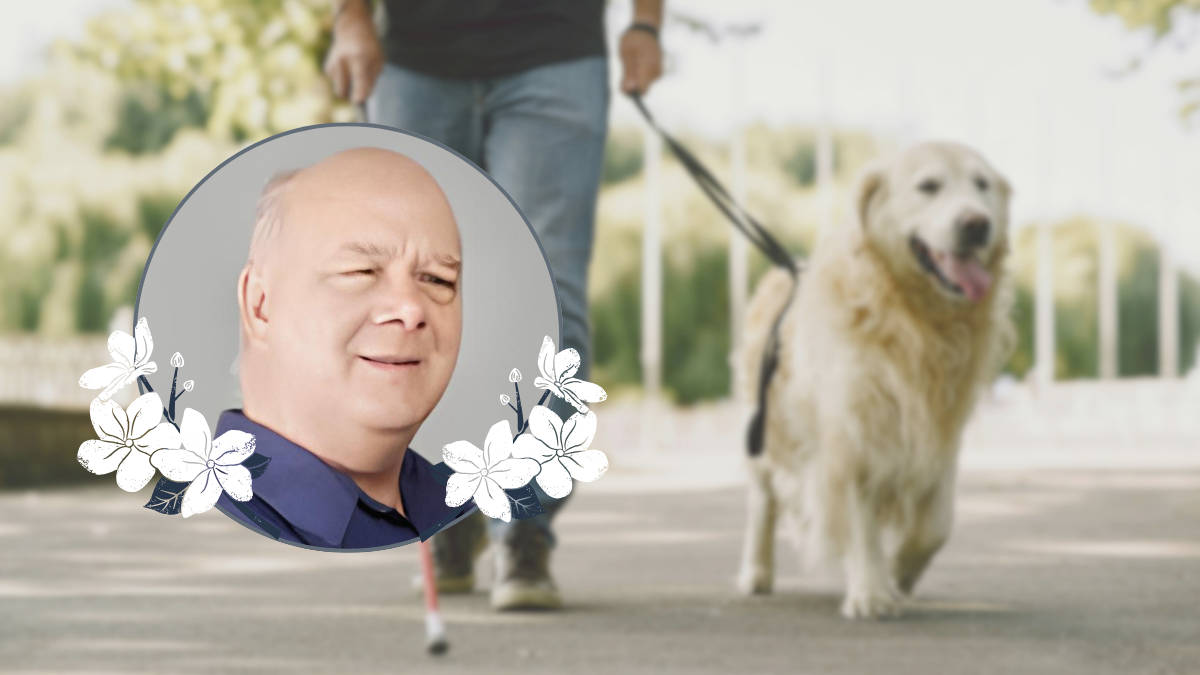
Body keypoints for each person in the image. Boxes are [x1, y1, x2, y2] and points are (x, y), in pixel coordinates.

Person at [322, 0, 665, 608]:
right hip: (417, 59)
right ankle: (449, 508)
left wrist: (645, 22)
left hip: (556, 51)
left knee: (546, 295)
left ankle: (524, 523)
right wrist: (351, 18)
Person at [214, 147, 474, 549]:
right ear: (260, 305)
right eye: (360, 271)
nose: (410, 309)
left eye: (438, 279)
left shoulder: (463, 508)